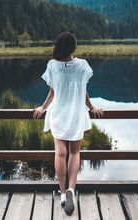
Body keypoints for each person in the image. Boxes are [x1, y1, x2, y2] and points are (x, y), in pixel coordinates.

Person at [33, 31, 104, 216]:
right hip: (76, 114)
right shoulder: (83, 66)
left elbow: (52, 92)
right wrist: (92, 107)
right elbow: (83, 91)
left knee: (60, 152)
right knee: (74, 152)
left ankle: (63, 193)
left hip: (58, 114)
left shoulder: (52, 65)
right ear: (73, 47)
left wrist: (42, 107)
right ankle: (72, 188)